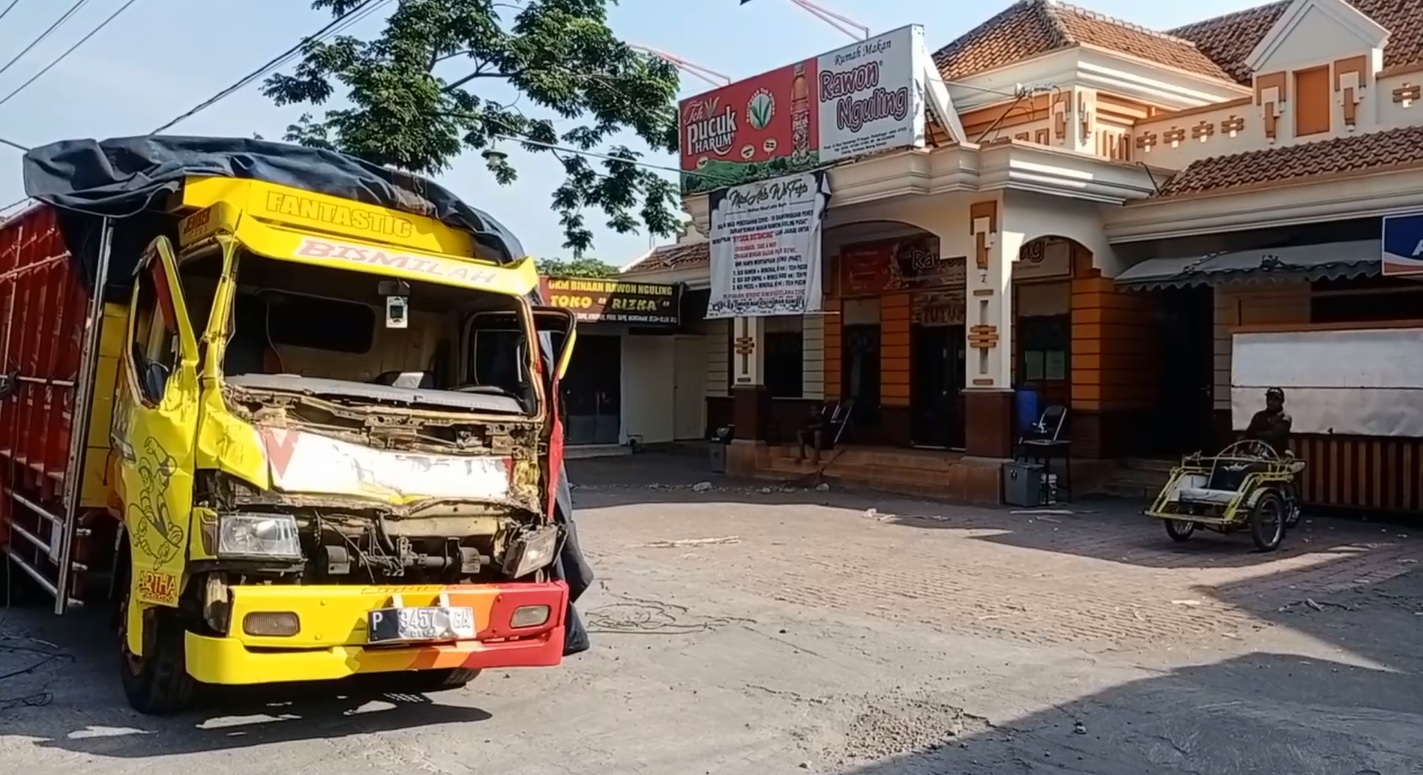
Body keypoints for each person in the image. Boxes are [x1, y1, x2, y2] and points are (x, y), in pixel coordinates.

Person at [1244, 387, 1292, 455]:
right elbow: (1249, 434)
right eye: (1269, 399)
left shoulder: (1284, 417)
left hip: (1277, 453)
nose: (1270, 402)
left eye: (1275, 399)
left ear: (1282, 401)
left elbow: (1274, 435)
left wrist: (1256, 434)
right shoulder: (1259, 416)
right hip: (1257, 451)